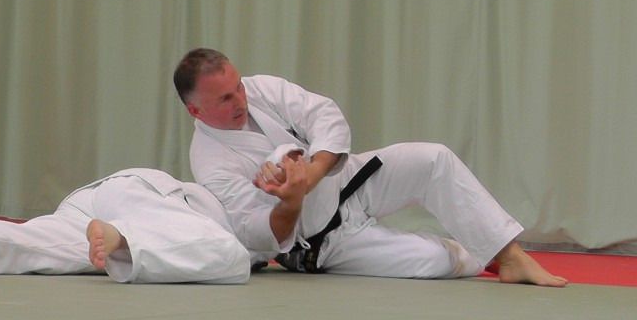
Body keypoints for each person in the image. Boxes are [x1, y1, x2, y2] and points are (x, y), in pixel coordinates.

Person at [173, 48, 567, 287]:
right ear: (195, 110)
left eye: (239, 87)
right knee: (435, 262)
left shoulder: (262, 89)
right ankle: (479, 252)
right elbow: (261, 233)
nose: (240, 100)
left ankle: (508, 255)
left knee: (433, 159)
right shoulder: (210, 161)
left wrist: (312, 174)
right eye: (225, 99)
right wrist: (291, 200)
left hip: (348, 179)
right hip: (322, 241)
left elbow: (324, 115)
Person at [0, 168, 250, 284]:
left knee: (30, 246)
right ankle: (122, 238)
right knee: (233, 256)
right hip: (152, 201)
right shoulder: (246, 192)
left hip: (95, 206)